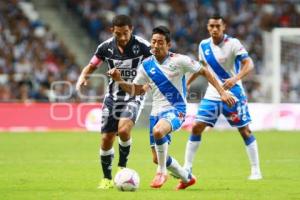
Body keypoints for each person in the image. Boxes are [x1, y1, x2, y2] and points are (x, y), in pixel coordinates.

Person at [108, 26, 236, 189]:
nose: (155, 45)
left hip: (177, 110)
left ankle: (161, 172)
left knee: (158, 132)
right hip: (155, 113)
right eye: (153, 42)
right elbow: (136, 90)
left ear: (168, 45)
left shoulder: (179, 60)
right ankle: (187, 178)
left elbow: (204, 71)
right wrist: (119, 80)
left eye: (160, 42)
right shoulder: (146, 65)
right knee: (157, 157)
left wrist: (222, 92)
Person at [182, 14, 262, 180]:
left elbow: (249, 64)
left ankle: (256, 170)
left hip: (234, 93)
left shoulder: (233, 43)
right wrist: (188, 83)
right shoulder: (203, 45)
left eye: (218, 26)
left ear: (223, 27)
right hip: (213, 93)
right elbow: (202, 67)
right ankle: (186, 168)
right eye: (211, 26)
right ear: (207, 27)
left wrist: (235, 78)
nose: (214, 29)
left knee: (245, 131)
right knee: (197, 127)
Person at [76, 15, 152, 189]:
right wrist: (83, 76)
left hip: (134, 94)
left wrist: (149, 84)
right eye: (119, 33)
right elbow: (92, 65)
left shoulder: (143, 47)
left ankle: (122, 167)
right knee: (106, 139)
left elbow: (155, 65)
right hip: (112, 97)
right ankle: (107, 179)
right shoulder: (105, 47)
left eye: (126, 33)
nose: (123, 37)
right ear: (112, 31)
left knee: (124, 130)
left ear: (131, 29)